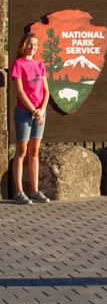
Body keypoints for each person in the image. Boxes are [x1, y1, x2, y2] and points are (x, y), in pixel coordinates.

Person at [10, 32, 51, 204]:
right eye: (29, 44)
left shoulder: (39, 65)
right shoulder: (18, 65)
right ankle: (19, 192)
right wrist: (34, 110)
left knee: (34, 152)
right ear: (23, 44)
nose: (32, 47)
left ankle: (35, 190)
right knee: (22, 151)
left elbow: (46, 91)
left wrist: (41, 110)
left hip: (39, 113)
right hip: (24, 112)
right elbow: (20, 91)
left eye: (35, 44)